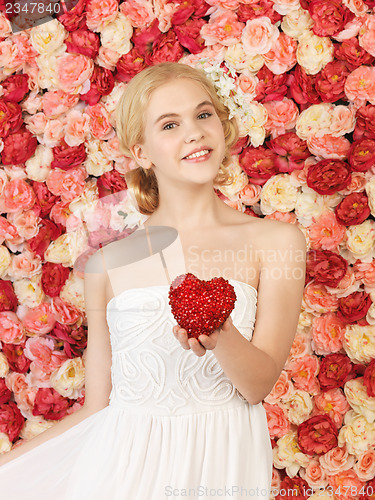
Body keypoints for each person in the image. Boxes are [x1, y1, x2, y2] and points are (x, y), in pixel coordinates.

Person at [0, 62, 306, 499]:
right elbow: (97, 408)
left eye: (203, 115)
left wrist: (217, 327)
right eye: (169, 124)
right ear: (142, 152)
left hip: (220, 466)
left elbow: (257, 386)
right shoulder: (106, 264)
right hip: (121, 474)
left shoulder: (276, 241)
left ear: (221, 124)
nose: (194, 132)